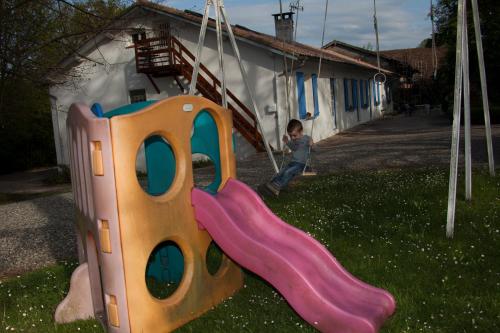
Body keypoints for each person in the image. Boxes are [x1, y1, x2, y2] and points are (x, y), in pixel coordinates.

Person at [263, 119, 313, 196]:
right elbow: (294, 148)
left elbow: (315, 149)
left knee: (288, 172)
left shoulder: (307, 139)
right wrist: (287, 142)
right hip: (293, 162)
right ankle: (270, 185)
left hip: (303, 164)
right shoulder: (294, 140)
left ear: (301, 131)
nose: (292, 138)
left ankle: (277, 187)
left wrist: (312, 144)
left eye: (294, 135)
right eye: (290, 136)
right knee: (281, 172)